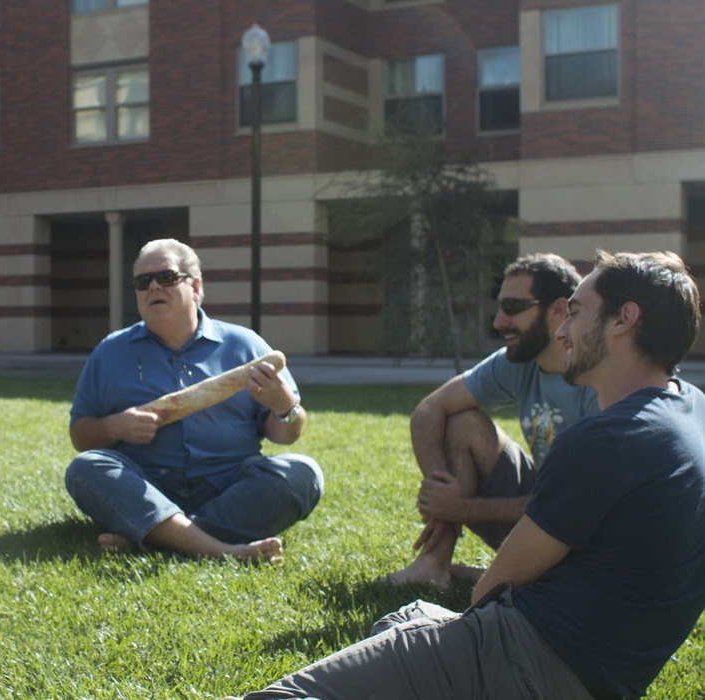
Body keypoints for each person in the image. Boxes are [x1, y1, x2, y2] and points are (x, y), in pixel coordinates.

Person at [233, 251, 705, 699]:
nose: (564, 330)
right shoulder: (692, 408)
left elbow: (491, 590)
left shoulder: (605, 439)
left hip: (528, 659)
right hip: (604, 676)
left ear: (624, 319)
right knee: (409, 616)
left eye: (576, 313)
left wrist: (461, 517)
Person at [65, 238, 323, 561]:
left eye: (167, 277)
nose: (154, 287)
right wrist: (116, 426)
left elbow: (287, 434)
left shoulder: (245, 346)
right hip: (147, 486)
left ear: (196, 287)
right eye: (143, 282)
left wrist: (283, 404)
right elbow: (81, 437)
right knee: (86, 468)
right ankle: (221, 548)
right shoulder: (110, 352)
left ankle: (158, 534)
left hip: (230, 488)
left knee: (303, 472)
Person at [388, 253, 598, 587]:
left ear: (559, 309)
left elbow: (574, 503)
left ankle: (524, 578)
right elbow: (430, 409)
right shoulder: (520, 361)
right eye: (499, 307)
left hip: (588, 535)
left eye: (513, 307)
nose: (499, 322)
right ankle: (434, 564)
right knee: (463, 423)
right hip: (545, 512)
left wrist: (462, 507)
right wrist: (444, 493)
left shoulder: (597, 379)